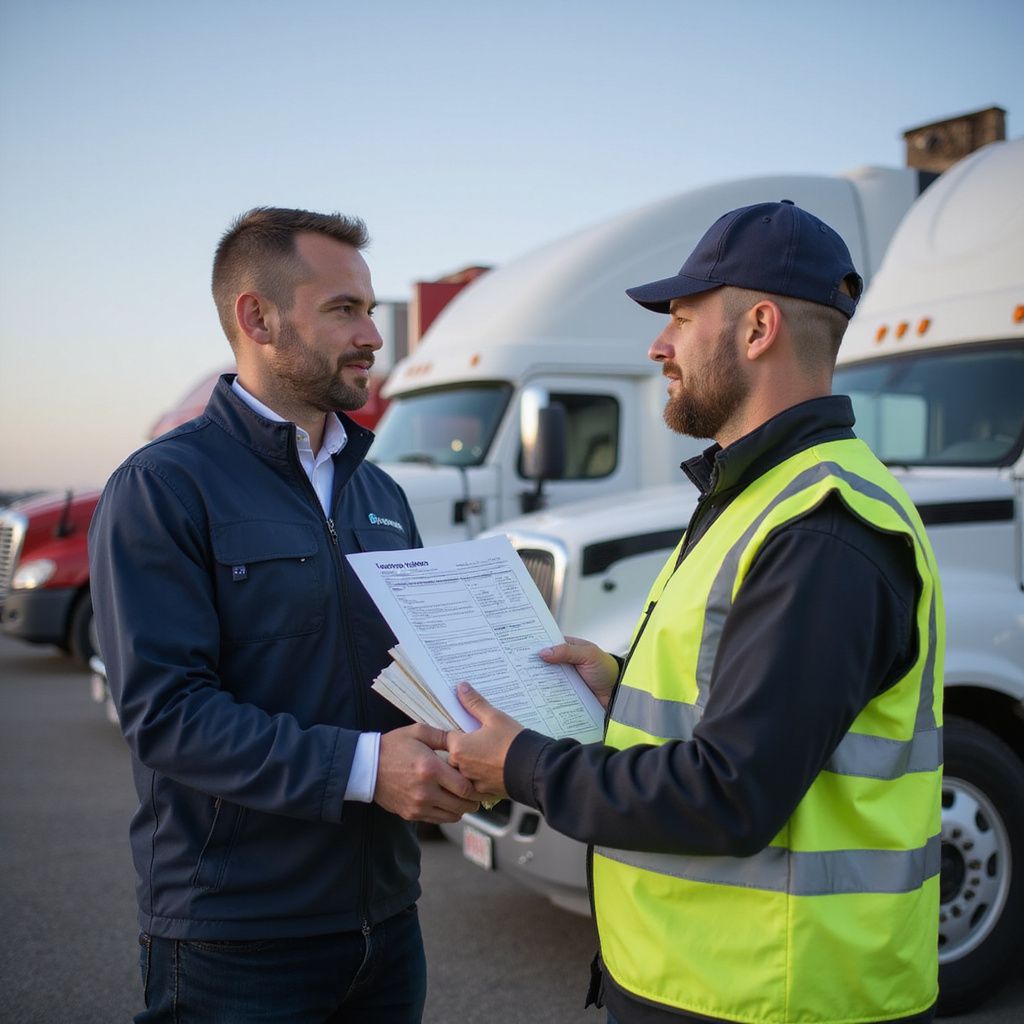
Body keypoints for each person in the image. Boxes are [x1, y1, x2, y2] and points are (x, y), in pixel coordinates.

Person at [446, 201, 944, 1024]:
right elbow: (732, 702)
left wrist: (525, 765)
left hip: (774, 994)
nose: (657, 346)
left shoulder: (823, 529)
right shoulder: (761, 493)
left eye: (680, 319)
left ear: (758, 328)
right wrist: (619, 686)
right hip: (715, 983)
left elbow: (733, 793)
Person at [89, 207, 482, 1023]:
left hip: (386, 925)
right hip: (236, 942)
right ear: (256, 317)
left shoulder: (381, 493)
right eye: (345, 309)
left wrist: (472, 739)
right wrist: (373, 769)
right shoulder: (165, 488)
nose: (374, 335)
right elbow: (167, 717)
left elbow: (406, 676)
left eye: (372, 309)